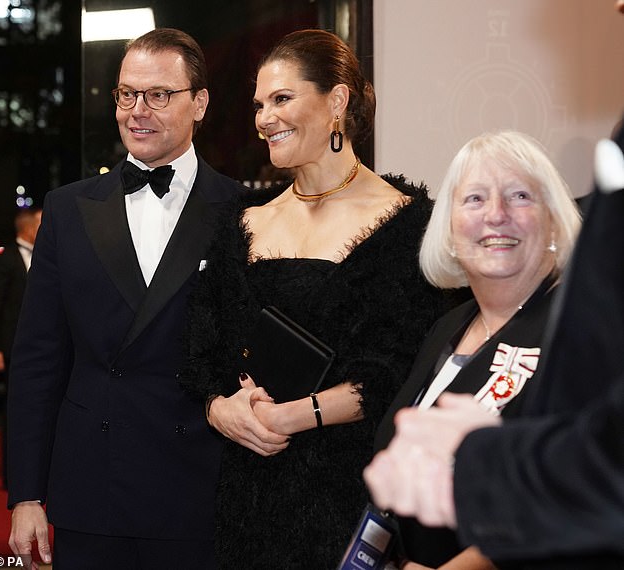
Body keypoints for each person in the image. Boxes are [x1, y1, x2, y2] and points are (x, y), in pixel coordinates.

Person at [177, 29, 445, 569]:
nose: (263, 118)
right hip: (247, 496)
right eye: (258, 104)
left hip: (349, 498)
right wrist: (220, 409)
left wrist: (294, 417)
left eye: (281, 99)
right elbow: (200, 350)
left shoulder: (412, 223)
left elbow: (402, 373)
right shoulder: (241, 223)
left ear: (337, 101)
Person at [7, 28, 243, 570]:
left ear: (199, 103)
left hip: (199, 488)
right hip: (89, 492)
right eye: (125, 94)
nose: (137, 111)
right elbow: (38, 361)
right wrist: (25, 494)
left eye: (158, 94)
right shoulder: (67, 209)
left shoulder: (242, 211)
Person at [364, 131, 624, 570]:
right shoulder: (450, 324)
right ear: (449, 226)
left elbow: (578, 487)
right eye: (475, 199)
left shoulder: (575, 331)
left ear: (555, 221)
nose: (496, 216)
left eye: (520, 196)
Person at [0, 207, 42, 488]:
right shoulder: (6, 259)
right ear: (28, 229)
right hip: (12, 348)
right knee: (16, 409)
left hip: (42, 348)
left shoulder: (49, 256)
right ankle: (15, 475)